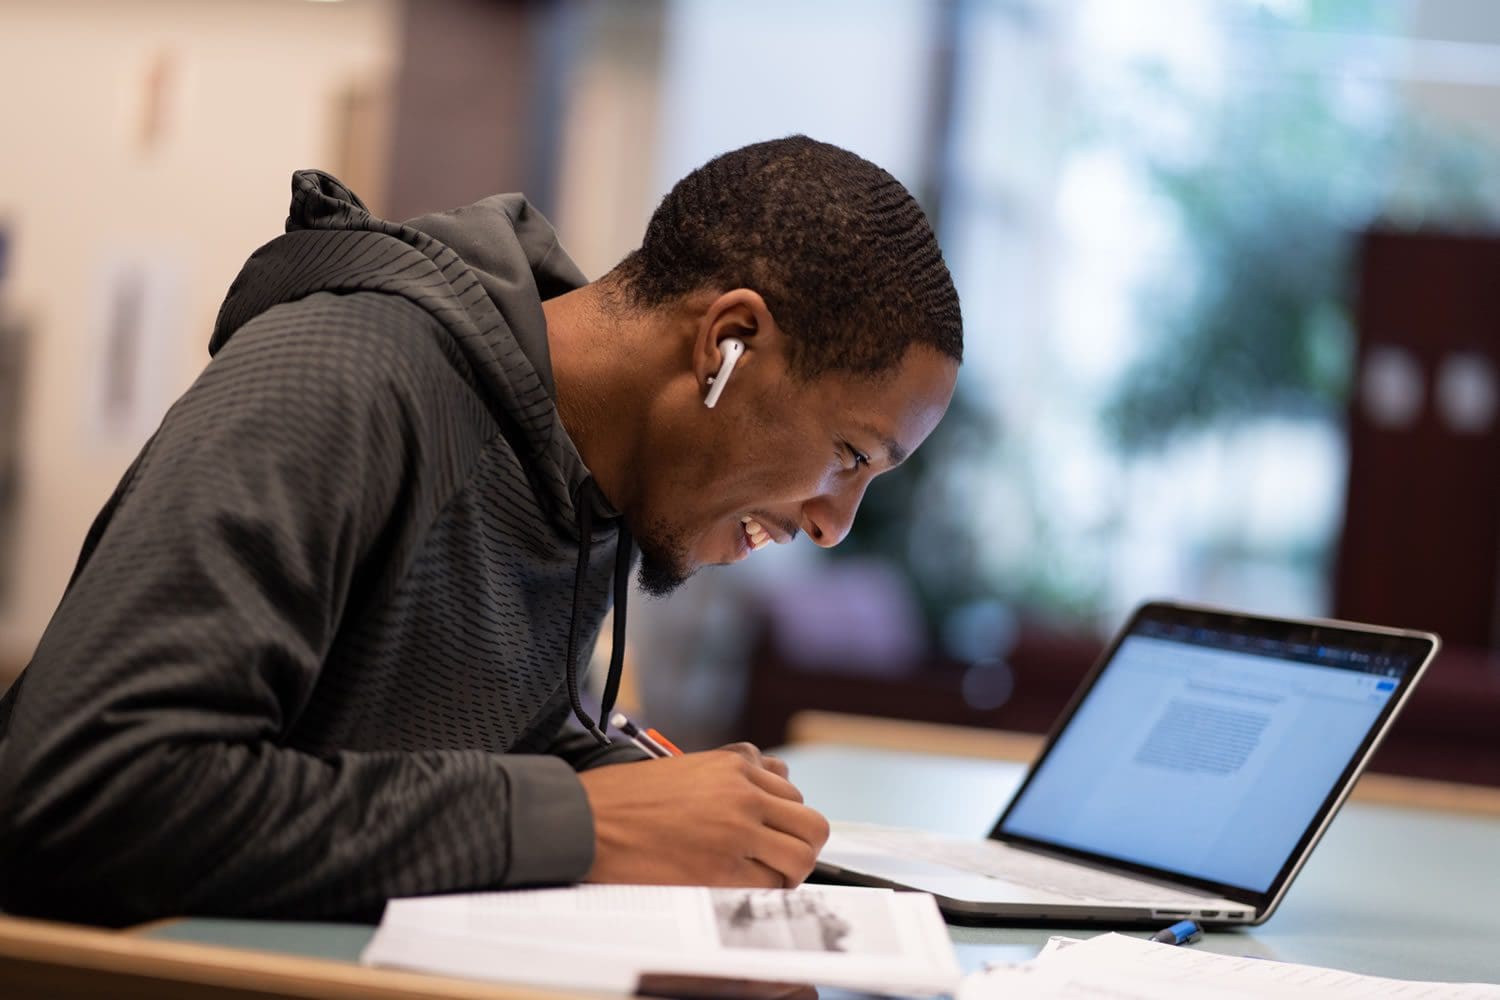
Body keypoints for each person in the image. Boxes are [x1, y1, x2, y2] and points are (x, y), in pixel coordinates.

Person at [0, 136, 962, 925]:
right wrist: (585, 819)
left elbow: (474, 741)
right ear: (727, 344)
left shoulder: (579, 480)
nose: (837, 525)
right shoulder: (344, 381)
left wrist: (672, 803)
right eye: (850, 455)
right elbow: (81, 792)